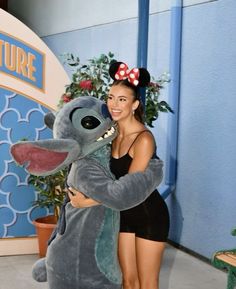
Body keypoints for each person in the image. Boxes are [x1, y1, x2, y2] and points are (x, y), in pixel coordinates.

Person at [68, 62, 170, 289]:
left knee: (147, 283)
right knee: (127, 281)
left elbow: (128, 189)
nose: (114, 104)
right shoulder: (109, 134)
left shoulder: (143, 139)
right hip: (122, 214)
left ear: (134, 104)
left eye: (122, 99)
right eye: (111, 97)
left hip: (148, 215)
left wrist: (87, 202)